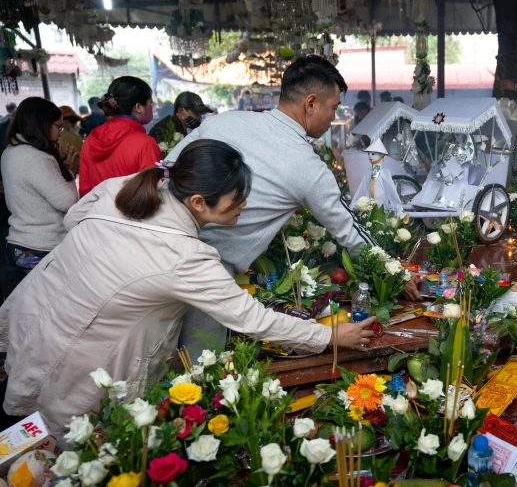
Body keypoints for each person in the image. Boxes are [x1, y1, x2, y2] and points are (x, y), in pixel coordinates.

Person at [0, 139, 375, 434]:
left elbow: (74, 218)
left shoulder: (123, 187)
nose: (244, 205)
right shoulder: (183, 255)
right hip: (86, 355)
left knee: (32, 432)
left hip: (42, 315)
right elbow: (253, 320)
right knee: (72, 450)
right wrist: (331, 337)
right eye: (237, 199)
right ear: (198, 201)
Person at [166, 55, 421, 353]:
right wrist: (394, 273)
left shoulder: (225, 121)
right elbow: (349, 231)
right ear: (310, 103)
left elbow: (169, 173)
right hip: (208, 272)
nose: (333, 118)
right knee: (201, 365)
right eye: (333, 108)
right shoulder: (306, 166)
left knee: (158, 360)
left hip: (158, 248)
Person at [1, 98, 78, 278]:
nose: (61, 132)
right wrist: (68, 171)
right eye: (58, 126)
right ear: (42, 124)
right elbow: (68, 202)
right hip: (40, 247)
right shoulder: (37, 158)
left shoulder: (10, 151)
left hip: (19, 243)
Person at [79, 76, 161, 196]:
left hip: (96, 212)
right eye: (150, 103)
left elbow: (84, 188)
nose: (152, 108)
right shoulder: (145, 143)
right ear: (138, 107)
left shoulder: (91, 138)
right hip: (132, 213)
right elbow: (152, 191)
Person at [149, 92, 213, 144]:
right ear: (181, 111)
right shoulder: (163, 131)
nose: (199, 117)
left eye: (200, 114)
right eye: (196, 113)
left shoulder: (181, 128)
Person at [58, 106, 84, 176]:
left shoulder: (51, 136)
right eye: (74, 122)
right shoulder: (74, 137)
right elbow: (83, 159)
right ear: (67, 122)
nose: (75, 125)